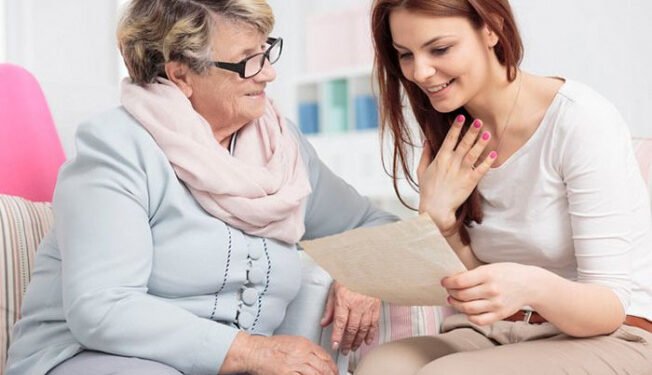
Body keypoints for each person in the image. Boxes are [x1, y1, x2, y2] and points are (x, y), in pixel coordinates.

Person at [5, 1, 394, 374]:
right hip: (92, 357)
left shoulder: (283, 150)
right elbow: (103, 308)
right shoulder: (118, 146)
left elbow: (373, 222)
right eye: (247, 60)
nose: (268, 73)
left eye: (266, 51)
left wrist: (363, 274)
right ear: (181, 75)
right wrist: (251, 351)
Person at [355, 0, 652, 374]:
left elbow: (609, 306)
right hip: (504, 330)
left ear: (491, 26)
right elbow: (477, 281)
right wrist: (440, 222)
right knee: (382, 366)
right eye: (405, 55)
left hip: (613, 335)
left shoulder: (580, 121)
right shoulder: (453, 135)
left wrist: (531, 285)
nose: (421, 72)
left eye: (440, 49)